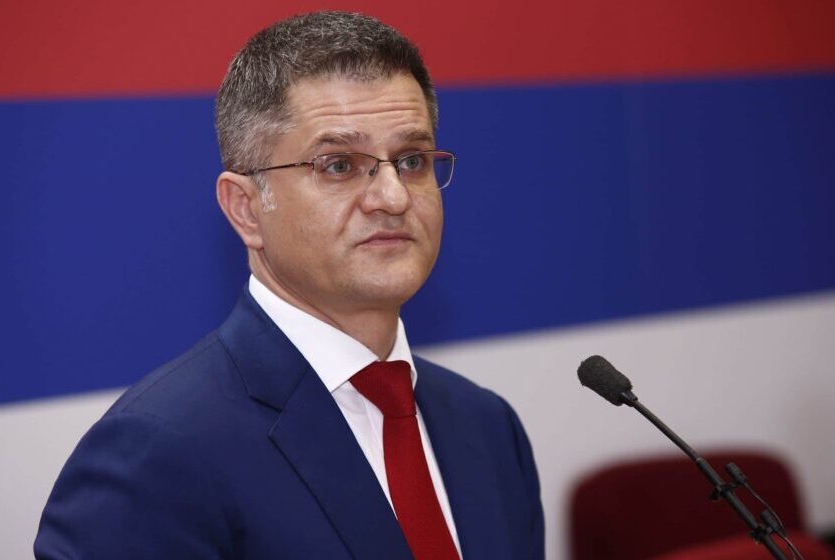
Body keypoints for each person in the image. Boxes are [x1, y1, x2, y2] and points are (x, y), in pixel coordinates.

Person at [35, 11, 543, 559]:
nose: (394, 197)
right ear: (246, 209)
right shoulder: (156, 454)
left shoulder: (488, 427)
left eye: (412, 160)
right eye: (339, 165)